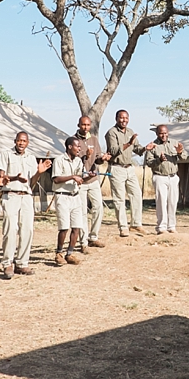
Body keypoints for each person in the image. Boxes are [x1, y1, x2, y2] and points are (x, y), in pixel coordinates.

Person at [0, 132, 52, 279]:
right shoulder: (6, 154)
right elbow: (0, 178)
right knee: (10, 230)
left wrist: (39, 173)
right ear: (15, 141)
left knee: (27, 230)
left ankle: (22, 263)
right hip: (11, 195)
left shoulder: (31, 158)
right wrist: (13, 178)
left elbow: (31, 183)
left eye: (24, 141)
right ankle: (8, 263)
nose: (21, 143)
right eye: (19, 141)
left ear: (28, 143)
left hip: (26, 197)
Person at [105, 109, 155, 237]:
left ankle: (136, 224)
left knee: (137, 194)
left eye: (126, 118)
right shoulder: (111, 133)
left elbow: (137, 149)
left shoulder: (130, 132)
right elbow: (114, 150)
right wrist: (128, 143)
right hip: (117, 168)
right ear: (116, 118)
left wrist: (145, 148)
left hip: (129, 168)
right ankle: (123, 227)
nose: (124, 120)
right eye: (121, 118)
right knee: (119, 199)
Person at [51, 136, 98, 265]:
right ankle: (59, 253)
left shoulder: (78, 161)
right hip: (62, 196)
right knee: (64, 227)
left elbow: (81, 177)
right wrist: (72, 177)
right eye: (77, 146)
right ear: (70, 147)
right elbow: (56, 179)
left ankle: (70, 254)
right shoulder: (59, 160)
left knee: (77, 227)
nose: (79, 148)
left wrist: (89, 175)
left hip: (75, 196)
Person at [143, 125, 187, 234]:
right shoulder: (153, 145)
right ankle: (161, 227)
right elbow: (149, 162)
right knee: (161, 201)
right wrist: (159, 160)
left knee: (173, 202)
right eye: (161, 133)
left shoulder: (174, 143)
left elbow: (185, 157)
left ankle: (171, 226)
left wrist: (180, 152)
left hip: (173, 176)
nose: (164, 135)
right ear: (157, 134)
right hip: (159, 177)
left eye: (165, 133)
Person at [75, 116, 111, 248]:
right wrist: (86, 156)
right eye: (83, 125)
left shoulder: (94, 139)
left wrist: (103, 159)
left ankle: (93, 237)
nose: (85, 127)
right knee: (82, 211)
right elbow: (74, 160)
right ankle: (83, 241)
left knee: (98, 207)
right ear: (78, 125)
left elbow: (97, 160)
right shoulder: (74, 140)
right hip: (81, 182)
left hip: (93, 180)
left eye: (88, 125)